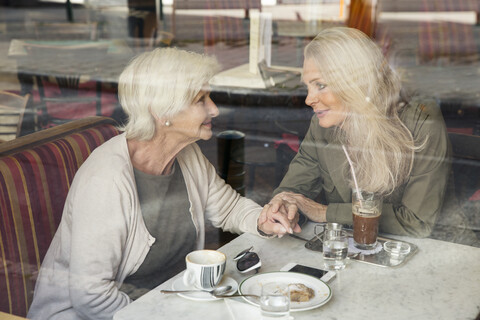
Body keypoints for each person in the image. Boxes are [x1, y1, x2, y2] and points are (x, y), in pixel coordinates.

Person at [27, 48, 299, 320]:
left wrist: (263, 220)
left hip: (167, 303)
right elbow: (91, 297)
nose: (214, 109)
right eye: (200, 99)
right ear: (161, 111)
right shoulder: (107, 180)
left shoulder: (187, 154)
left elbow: (229, 209)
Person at [269, 27, 475, 243]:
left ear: (355, 83)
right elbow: (292, 191)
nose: (309, 99)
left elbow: (416, 223)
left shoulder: (421, 121)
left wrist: (324, 213)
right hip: (357, 249)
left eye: (321, 85)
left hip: (436, 252)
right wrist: (281, 209)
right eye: (308, 87)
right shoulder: (323, 125)